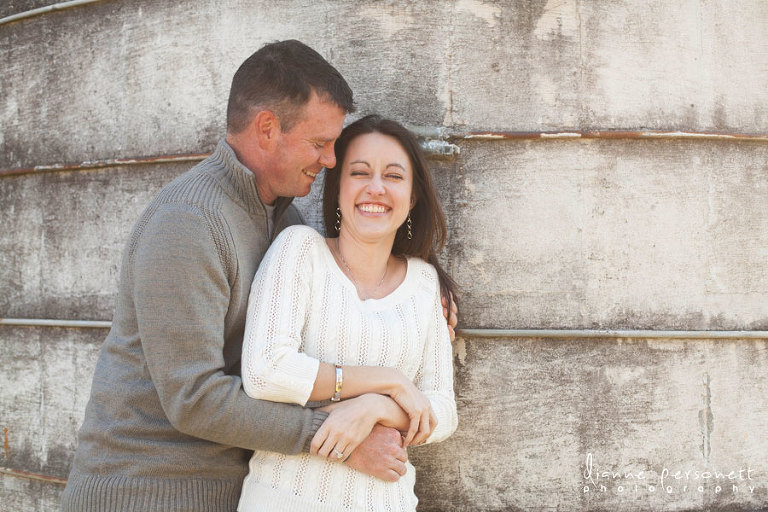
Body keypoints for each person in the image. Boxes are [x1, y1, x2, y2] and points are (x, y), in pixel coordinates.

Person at [61, 40, 456, 512]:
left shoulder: (282, 224)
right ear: (267, 128)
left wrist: (419, 294)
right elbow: (194, 398)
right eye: (319, 143)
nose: (330, 160)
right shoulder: (187, 222)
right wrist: (340, 437)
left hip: (225, 490)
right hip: (145, 491)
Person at [237, 115, 459, 511]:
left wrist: (375, 406)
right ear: (338, 188)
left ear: (412, 198)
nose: (376, 187)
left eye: (393, 176)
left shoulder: (425, 285)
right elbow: (265, 371)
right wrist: (389, 382)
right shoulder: (300, 250)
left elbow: (442, 409)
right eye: (360, 172)